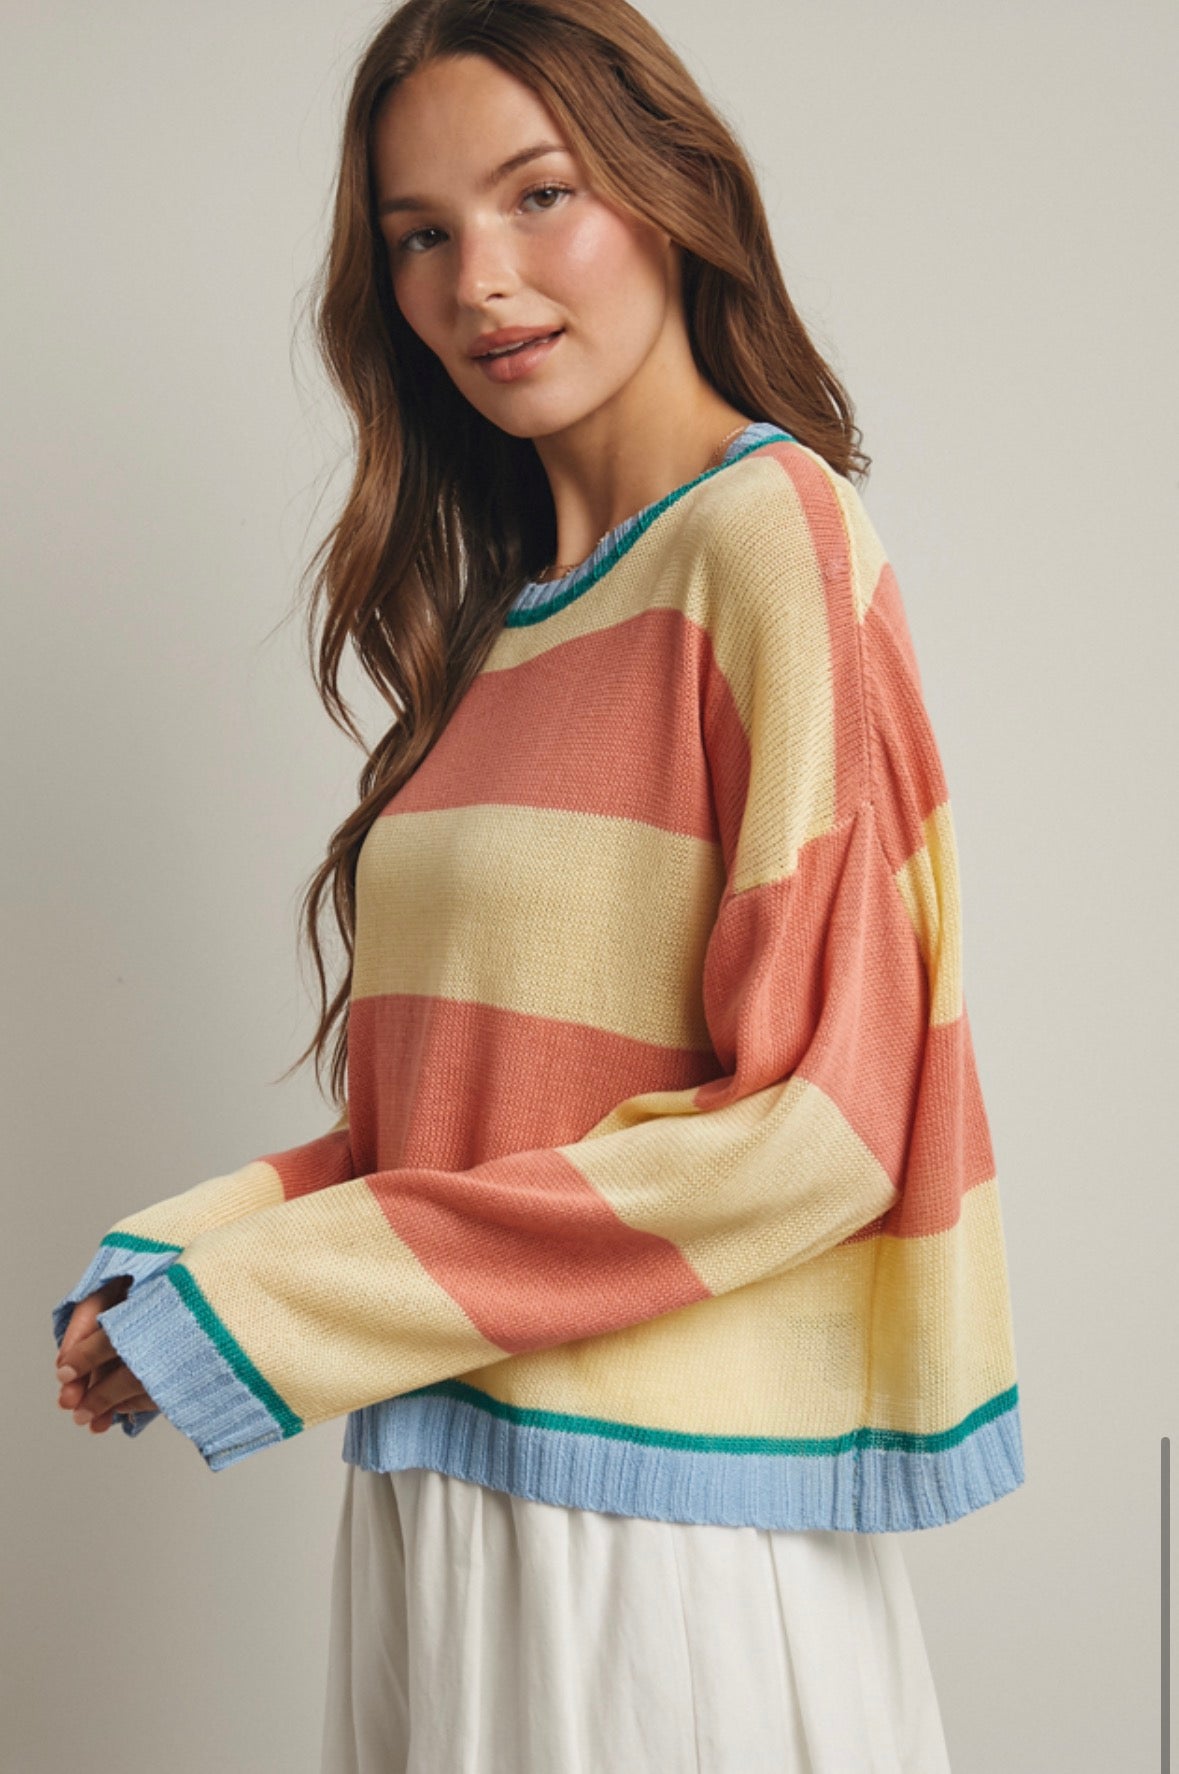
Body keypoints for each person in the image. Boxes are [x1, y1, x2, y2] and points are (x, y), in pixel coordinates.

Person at [51, 1, 1025, 1768]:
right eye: (420, 235)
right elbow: (461, 1125)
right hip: (445, 1507)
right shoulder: (502, 636)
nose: (479, 281)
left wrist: (277, 1301)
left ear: (669, 188)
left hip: (652, 1548)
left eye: (539, 194)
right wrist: (193, 1263)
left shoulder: (771, 535)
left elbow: (823, 1120)